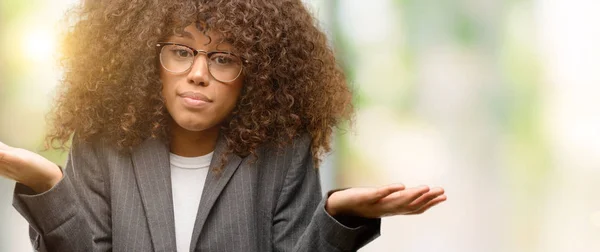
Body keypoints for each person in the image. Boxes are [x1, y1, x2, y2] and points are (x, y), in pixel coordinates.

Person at [0, 0, 447, 251]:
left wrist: (338, 217)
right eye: (180, 51)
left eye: (223, 58)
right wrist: (48, 183)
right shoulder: (103, 145)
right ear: (145, 60)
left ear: (256, 75)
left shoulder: (282, 154)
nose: (197, 73)